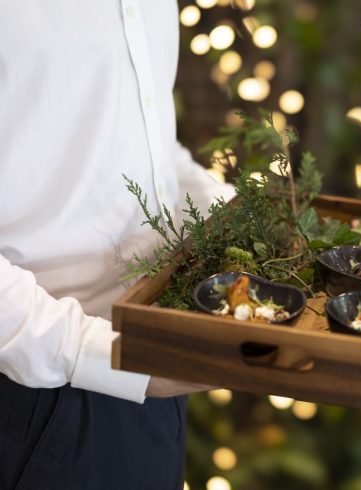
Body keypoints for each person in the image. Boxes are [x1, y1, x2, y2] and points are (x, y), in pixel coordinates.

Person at [0, 2, 234, 488]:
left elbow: (137, 140)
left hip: (152, 379)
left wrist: (224, 209)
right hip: (30, 400)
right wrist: (110, 359)